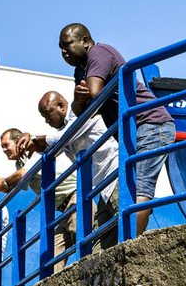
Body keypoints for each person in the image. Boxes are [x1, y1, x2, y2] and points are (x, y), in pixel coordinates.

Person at [58, 23, 175, 236]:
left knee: (140, 188)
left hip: (151, 124)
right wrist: (76, 100)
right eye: (60, 48)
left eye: (67, 45)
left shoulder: (99, 53)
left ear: (85, 41)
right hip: (130, 132)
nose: (63, 52)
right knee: (129, 191)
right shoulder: (80, 70)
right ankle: (122, 245)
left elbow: (94, 93)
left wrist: (83, 99)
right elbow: (83, 113)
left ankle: (130, 248)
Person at [14, 91, 120, 254]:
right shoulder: (64, 130)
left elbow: (63, 137)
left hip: (116, 176)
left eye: (48, 114)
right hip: (103, 189)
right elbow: (54, 146)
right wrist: (34, 143)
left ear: (61, 106)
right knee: (99, 247)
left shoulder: (79, 114)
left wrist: (33, 137)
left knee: (127, 222)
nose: (47, 121)